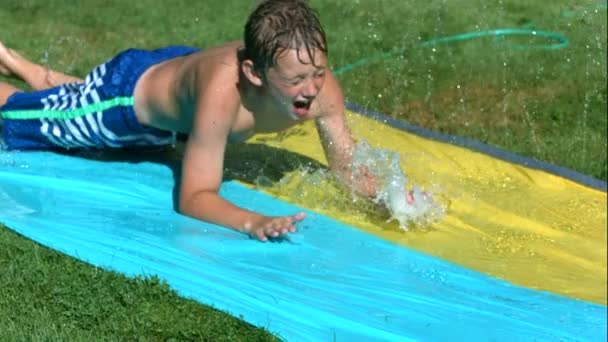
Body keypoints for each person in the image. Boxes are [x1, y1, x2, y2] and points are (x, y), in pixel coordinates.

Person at [0, 0, 414, 241]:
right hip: (125, 96)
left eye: (318, 73)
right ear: (254, 73)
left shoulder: (321, 89)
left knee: (73, 104)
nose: (311, 89)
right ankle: (26, 79)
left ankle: (36, 72)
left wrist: (388, 199)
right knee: (17, 118)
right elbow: (194, 196)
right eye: (296, 80)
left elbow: (346, 167)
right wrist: (252, 221)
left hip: (179, 88)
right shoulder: (223, 96)